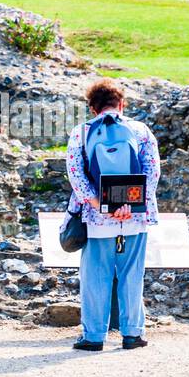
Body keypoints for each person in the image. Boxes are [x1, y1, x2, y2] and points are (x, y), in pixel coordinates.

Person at [64, 79, 161, 351]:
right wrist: (132, 203)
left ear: (93, 109)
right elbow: (151, 172)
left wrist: (98, 205)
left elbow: (76, 174)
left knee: (95, 277)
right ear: (121, 104)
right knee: (132, 274)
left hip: (97, 221)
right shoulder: (140, 130)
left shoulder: (82, 132)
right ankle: (132, 334)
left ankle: (94, 337)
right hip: (135, 217)